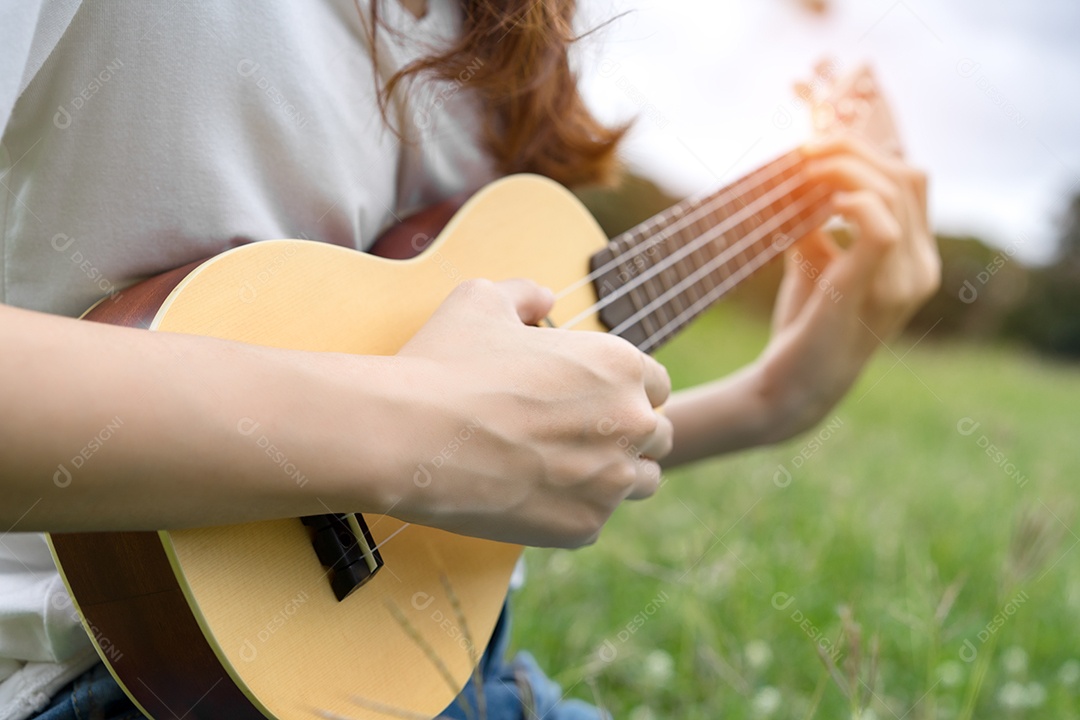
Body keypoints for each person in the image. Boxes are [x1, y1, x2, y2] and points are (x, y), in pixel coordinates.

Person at [0, 1, 939, 718]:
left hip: (460, 672)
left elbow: (488, 432)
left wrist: (775, 399)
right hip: (124, 682)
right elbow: (441, 422)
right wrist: (416, 427)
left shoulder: (500, 26)